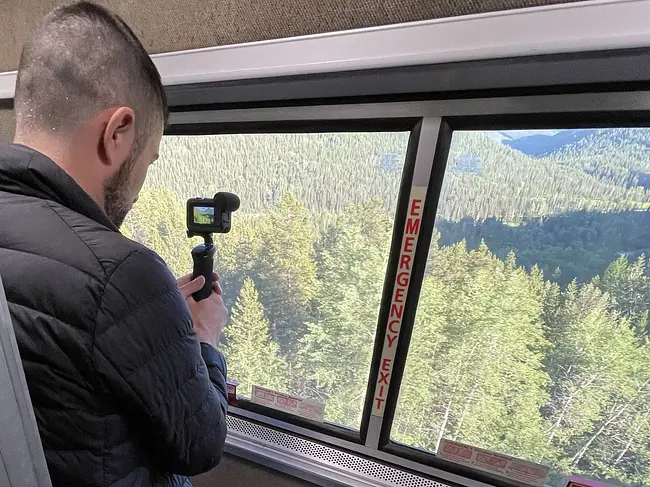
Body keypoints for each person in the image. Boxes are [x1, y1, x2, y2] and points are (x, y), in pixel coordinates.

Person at [0, 2, 229, 486]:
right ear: (117, 132)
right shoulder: (122, 274)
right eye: (148, 160)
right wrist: (203, 337)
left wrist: (155, 321)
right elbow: (202, 443)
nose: (142, 180)